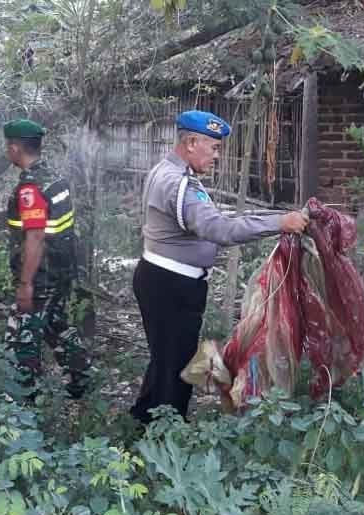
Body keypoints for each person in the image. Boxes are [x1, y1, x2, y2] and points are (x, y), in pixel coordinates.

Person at [131, 110, 308, 423]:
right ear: (191, 142)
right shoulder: (179, 184)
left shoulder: (167, 171)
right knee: (177, 367)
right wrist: (280, 222)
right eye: (213, 147)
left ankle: (143, 419)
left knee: (165, 359)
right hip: (172, 287)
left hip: (161, 280)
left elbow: (203, 218)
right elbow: (220, 230)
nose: (217, 155)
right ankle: (166, 434)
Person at [2, 118, 92, 400]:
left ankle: (22, 401)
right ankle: (82, 380)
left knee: (20, 336)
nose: (7, 151)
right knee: (56, 325)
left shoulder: (31, 188)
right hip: (62, 272)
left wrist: (26, 284)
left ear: (15, 148)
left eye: (8, 147)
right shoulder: (56, 178)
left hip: (40, 276)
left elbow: (35, 237)